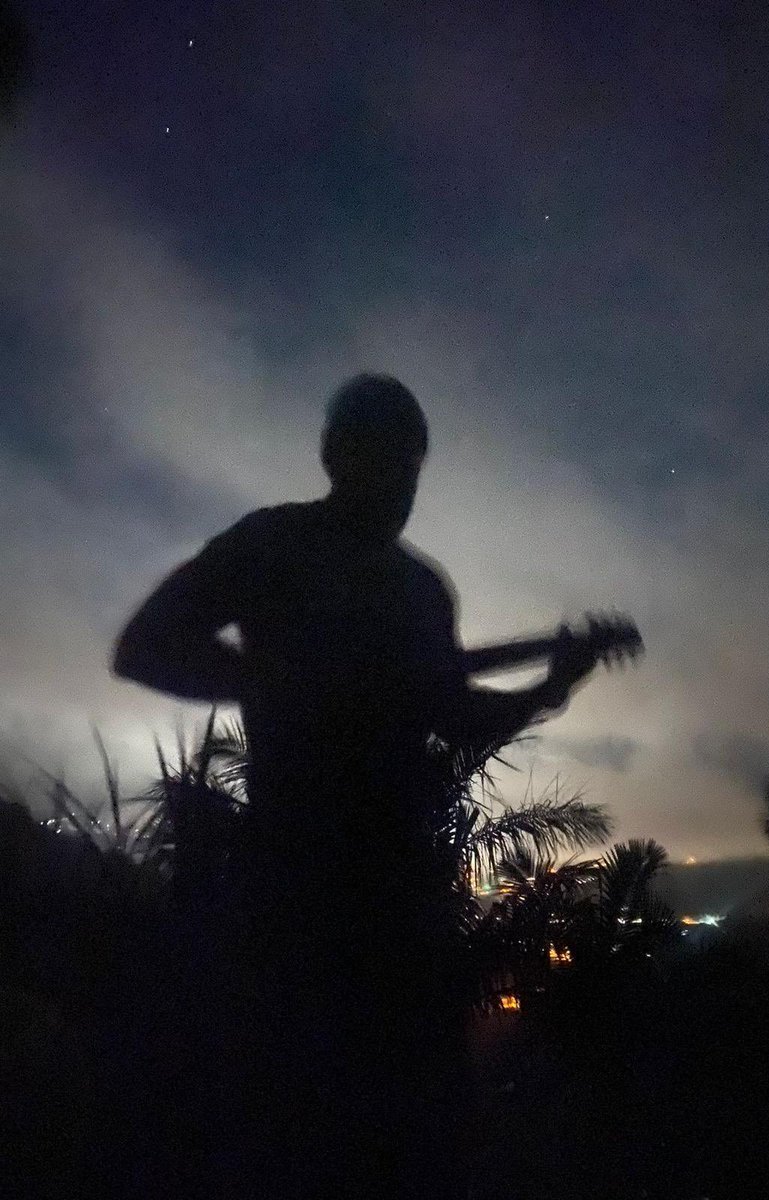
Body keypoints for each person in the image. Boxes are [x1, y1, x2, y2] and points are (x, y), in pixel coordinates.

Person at [112, 373, 605, 1199]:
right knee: (294, 1130)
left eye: (411, 467)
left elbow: (455, 715)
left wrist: (551, 687)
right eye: (383, 461)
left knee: (414, 1137)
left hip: (405, 900)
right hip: (295, 890)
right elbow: (146, 646)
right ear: (337, 458)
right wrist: (269, 678)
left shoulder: (420, 589)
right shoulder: (272, 545)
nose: (400, 485)